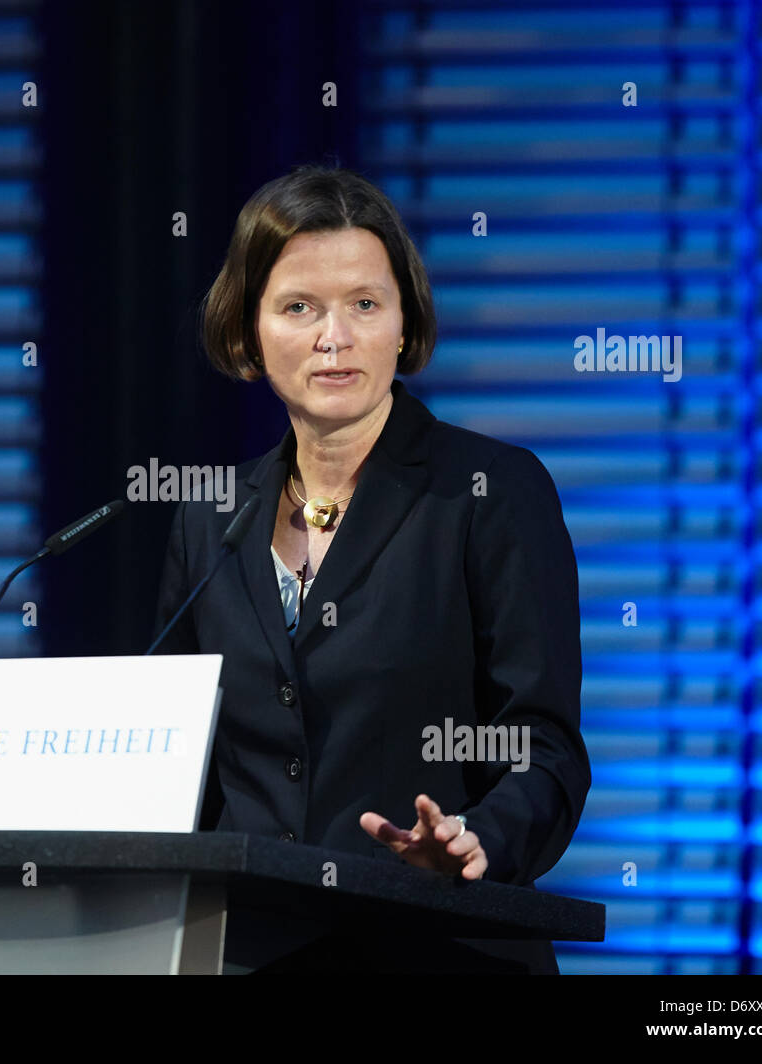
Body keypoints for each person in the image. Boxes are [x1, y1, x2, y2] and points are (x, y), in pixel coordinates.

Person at [152, 164, 591, 973]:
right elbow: (172, 750)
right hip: (248, 952)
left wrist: (476, 840)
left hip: (438, 948)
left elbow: (547, 746)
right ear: (249, 332)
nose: (335, 337)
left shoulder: (487, 492)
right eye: (298, 307)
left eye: (364, 304)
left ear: (403, 322)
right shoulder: (211, 516)